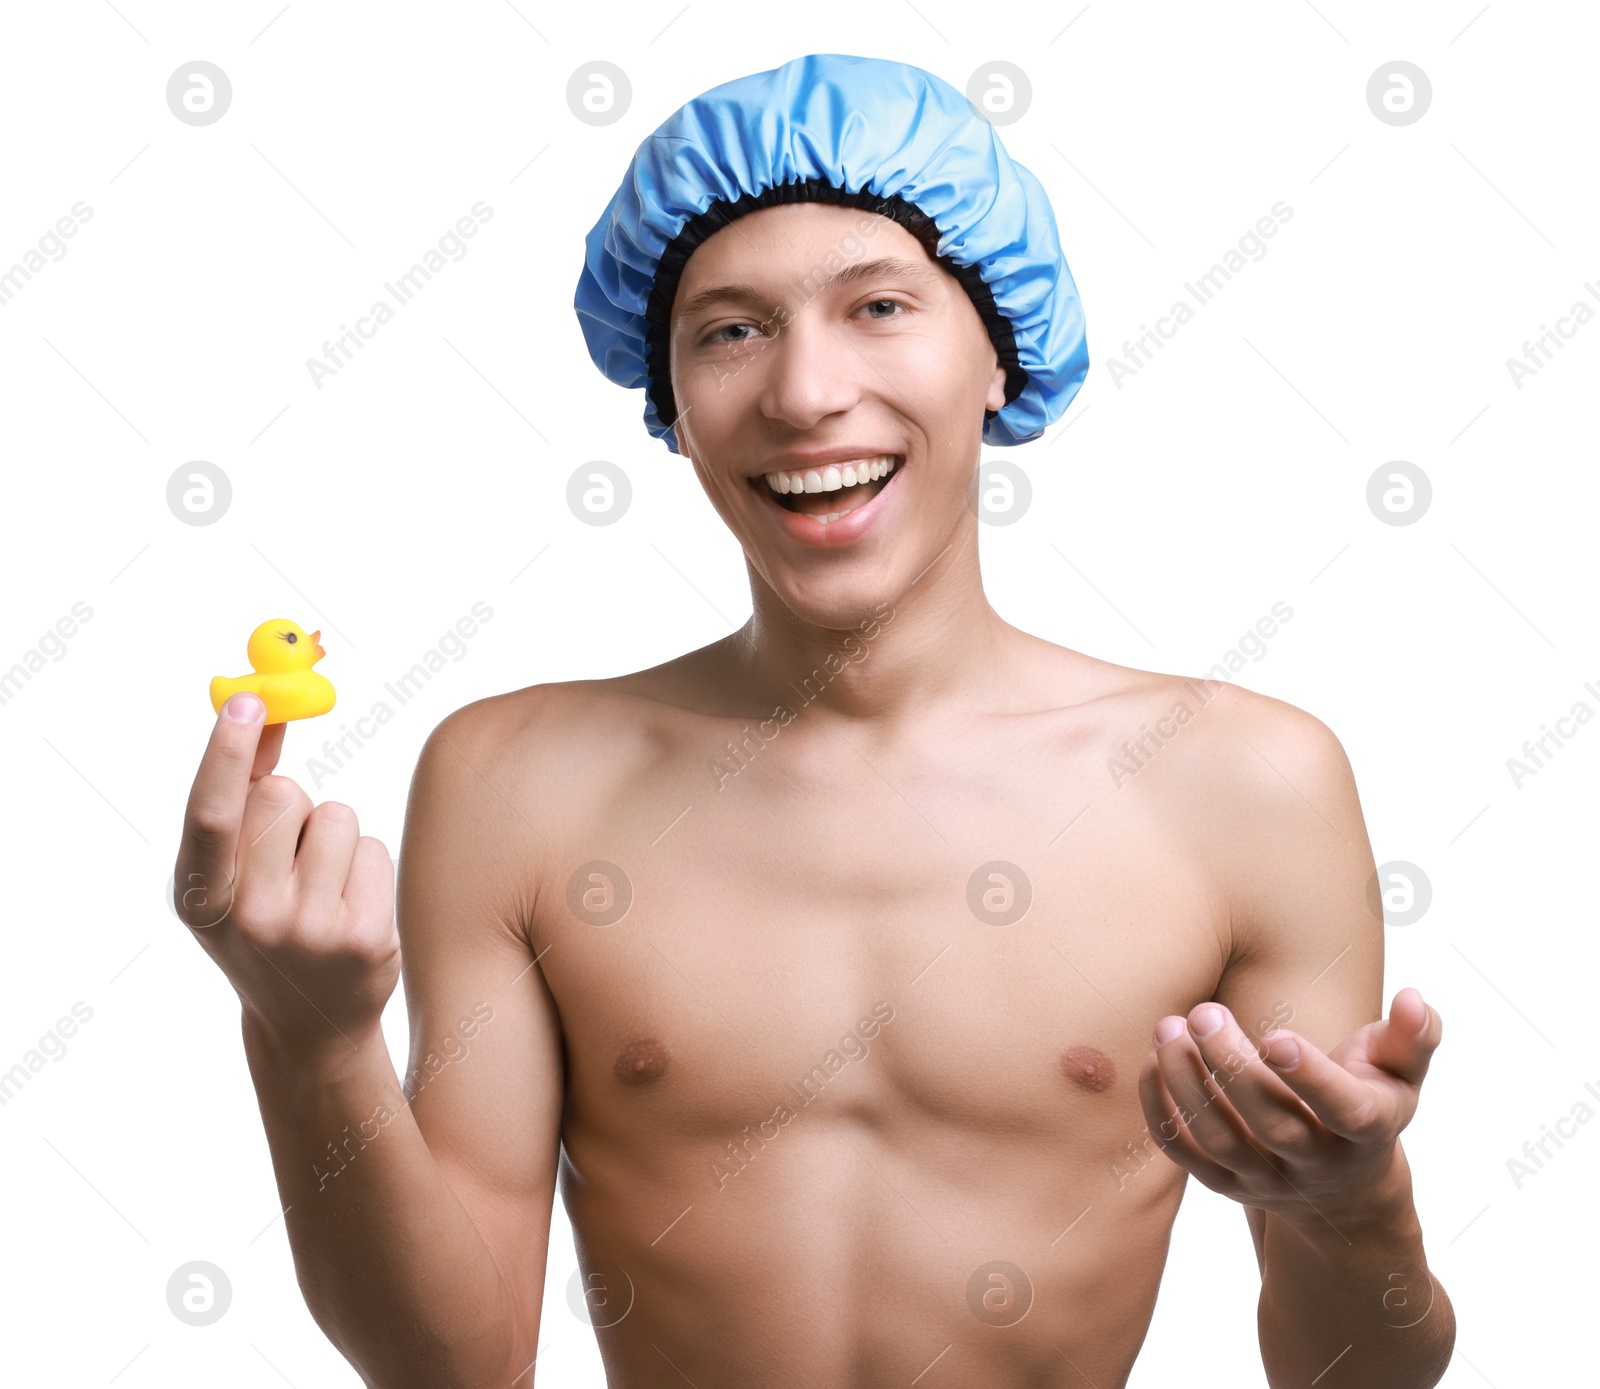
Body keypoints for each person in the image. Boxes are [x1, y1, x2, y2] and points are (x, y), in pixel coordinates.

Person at [174, 53, 1455, 1388]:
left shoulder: (1242, 784)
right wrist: (307, 1038)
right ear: (670, 403)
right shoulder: (514, 780)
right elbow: (458, 1367)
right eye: (730, 329)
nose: (803, 393)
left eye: (880, 305)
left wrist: (1353, 1206)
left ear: (997, 358)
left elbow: (1354, 1377)